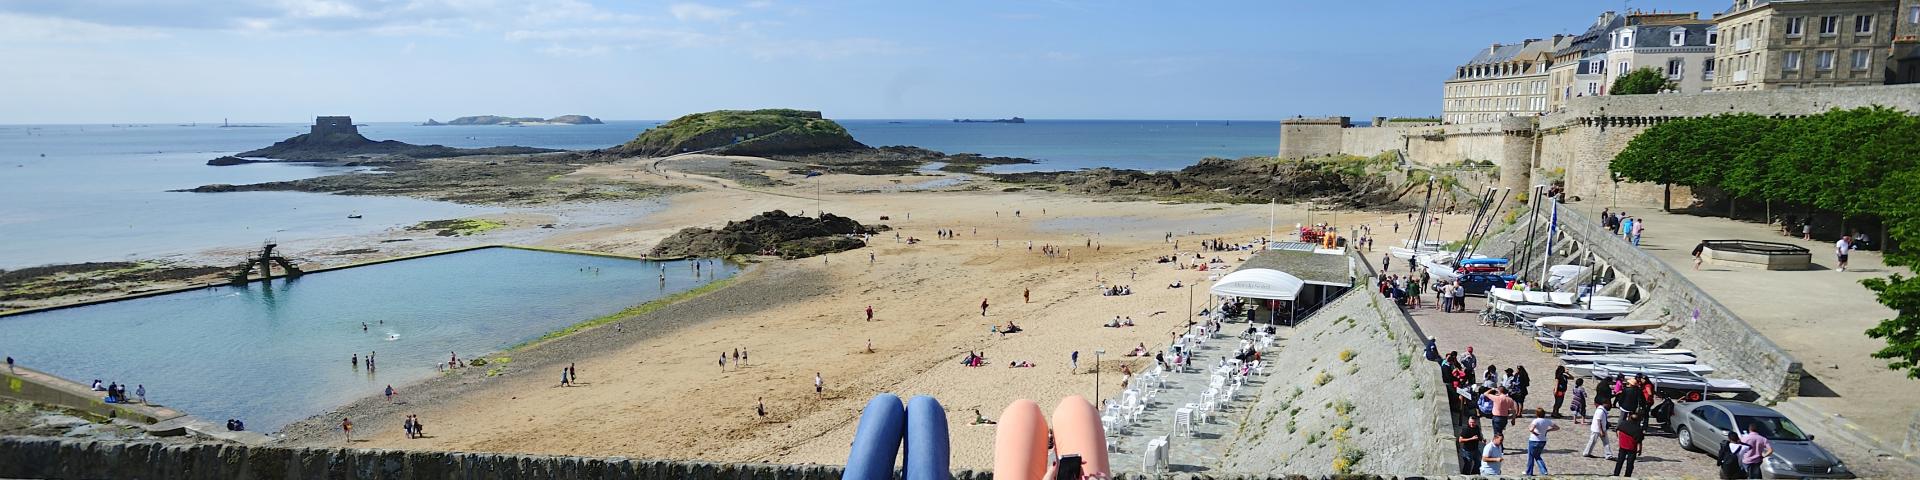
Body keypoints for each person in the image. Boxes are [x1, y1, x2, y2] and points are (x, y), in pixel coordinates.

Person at [1525, 408, 1559, 475]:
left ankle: (1529, 472)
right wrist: (1548, 430)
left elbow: (1531, 429)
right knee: (1537, 456)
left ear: (1537, 414)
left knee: (1531, 456)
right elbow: (1557, 427)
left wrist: (1535, 433)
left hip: (1534, 440)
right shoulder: (1547, 421)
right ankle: (1544, 471)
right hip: (1542, 440)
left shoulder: (1536, 421)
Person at [1612, 412, 1644, 477]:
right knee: (1630, 463)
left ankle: (1616, 474)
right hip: (1632, 448)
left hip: (1622, 446)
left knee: (1620, 461)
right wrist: (1640, 449)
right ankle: (1627, 476)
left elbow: (1617, 431)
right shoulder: (1638, 430)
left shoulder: (1623, 423)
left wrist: (1620, 439)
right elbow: (1639, 441)